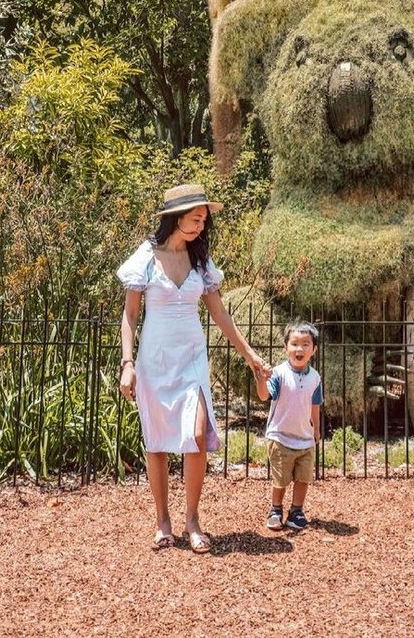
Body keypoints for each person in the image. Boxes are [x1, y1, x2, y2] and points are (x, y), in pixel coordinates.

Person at [117, 182, 271, 553]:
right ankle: (162, 521)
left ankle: (193, 519)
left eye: (204, 220)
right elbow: (130, 314)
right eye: (195, 219)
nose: (202, 226)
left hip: (191, 359)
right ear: (175, 218)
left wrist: (250, 355)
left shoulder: (201, 262)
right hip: (154, 360)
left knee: (198, 434)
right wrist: (127, 363)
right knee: (156, 440)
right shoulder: (146, 257)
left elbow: (219, 313)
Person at [255, 321, 323, 533]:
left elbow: (315, 405)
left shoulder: (315, 377)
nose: (299, 349)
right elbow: (264, 395)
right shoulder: (278, 373)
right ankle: (276, 509)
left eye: (305, 344)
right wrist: (260, 380)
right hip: (280, 437)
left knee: (303, 477)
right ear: (286, 348)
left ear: (314, 349)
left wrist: (316, 429)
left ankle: (297, 511)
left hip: (304, 437)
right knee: (281, 478)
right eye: (294, 344)